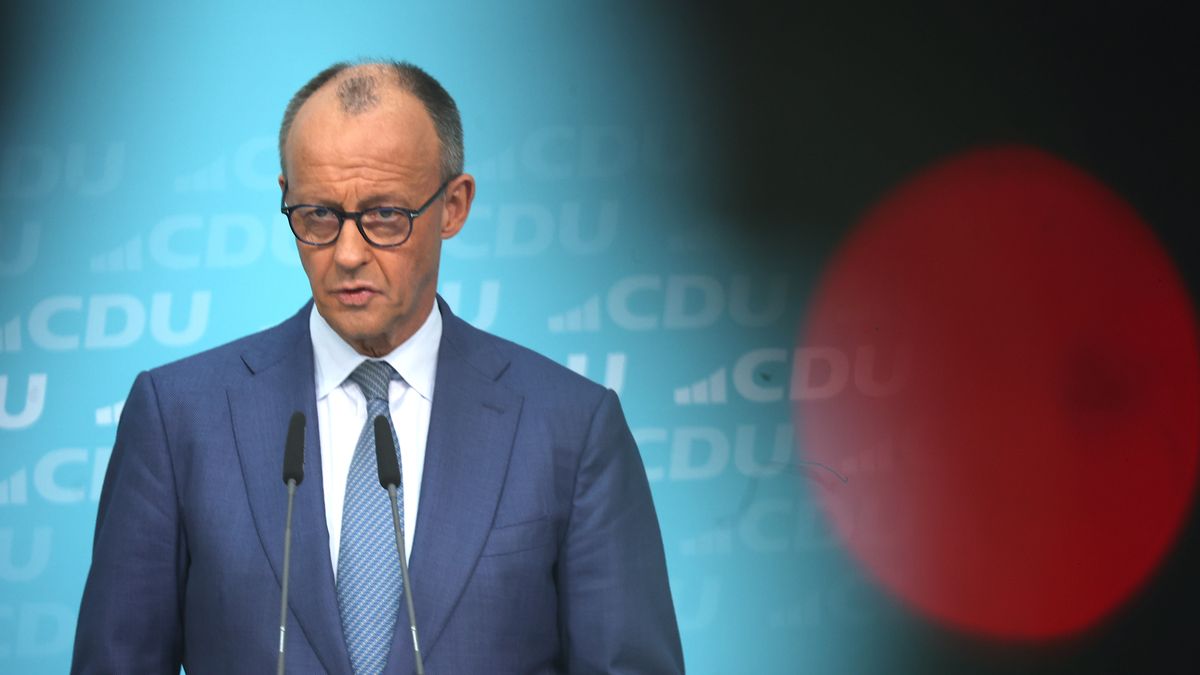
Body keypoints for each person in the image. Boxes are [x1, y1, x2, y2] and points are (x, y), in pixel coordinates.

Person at [71, 60, 684, 674]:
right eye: (318, 216)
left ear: (453, 205)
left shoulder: (570, 428)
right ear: (286, 197)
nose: (347, 253)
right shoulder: (179, 418)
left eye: (385, 215)